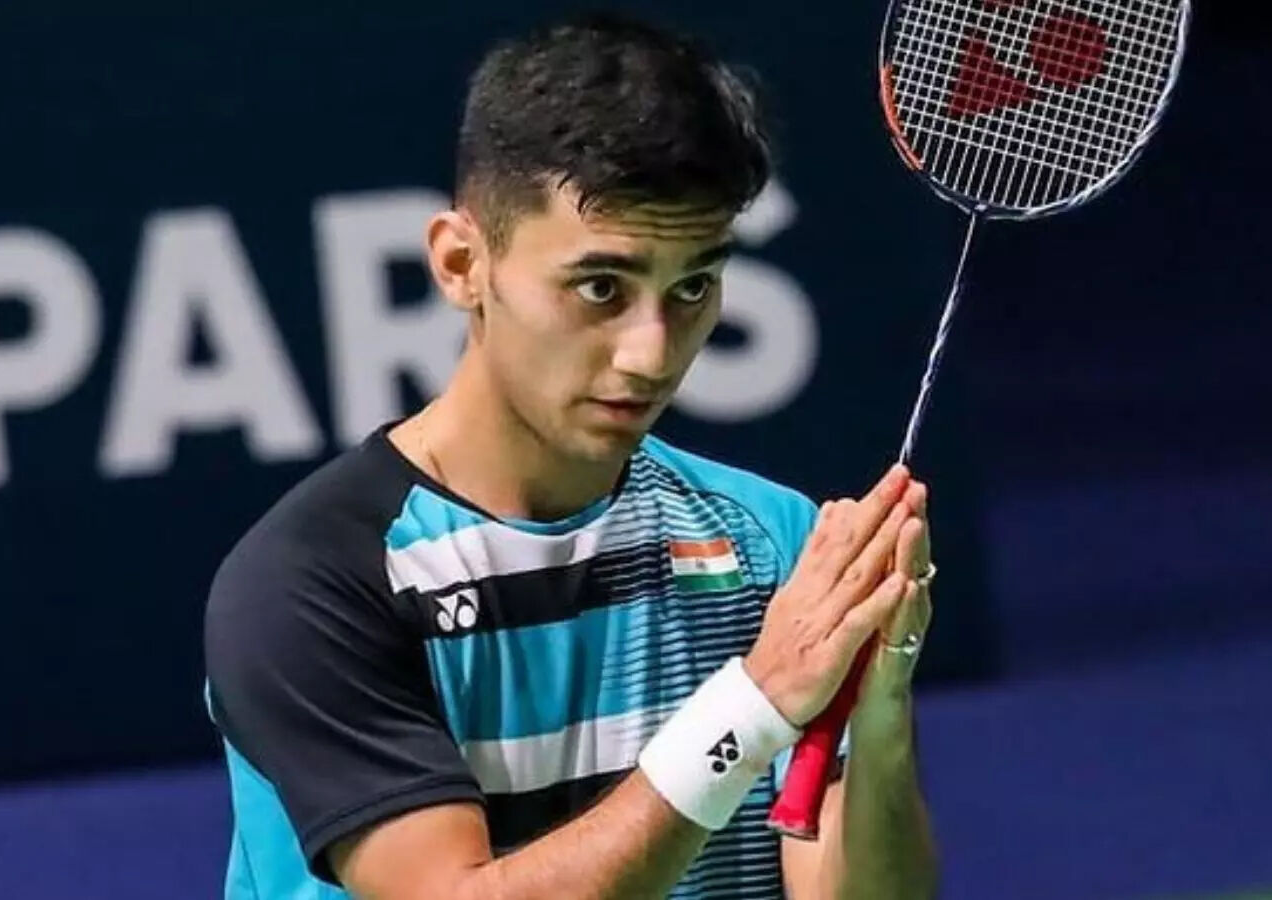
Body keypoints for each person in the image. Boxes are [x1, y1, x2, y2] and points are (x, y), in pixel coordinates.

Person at [204, 13, 938, 899]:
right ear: (461, 263)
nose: (651, 353)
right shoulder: (317, 581)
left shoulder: (771, 545)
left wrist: (880, 706)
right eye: (600, 287)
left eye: (693, 286)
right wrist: (752, 707)